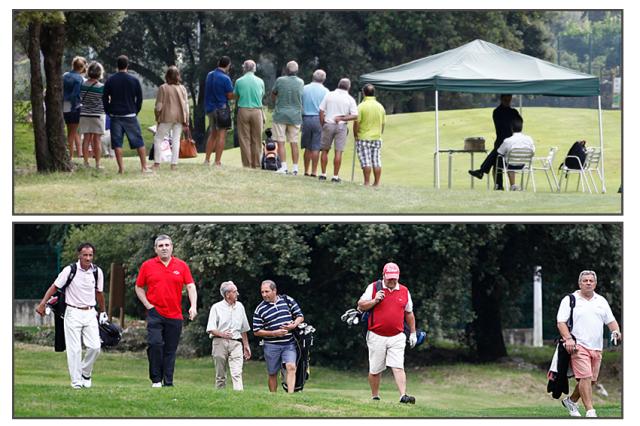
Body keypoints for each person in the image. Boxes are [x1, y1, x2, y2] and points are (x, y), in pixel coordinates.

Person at [35, 243, 107, 389]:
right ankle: (76, 382)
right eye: (85, 255)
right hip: (72, 312)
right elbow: (54, 287)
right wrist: (42, 303)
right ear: (79, 255)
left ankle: (85, 373)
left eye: (90, 255)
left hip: (90, 312)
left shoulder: (97, 272)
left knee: (95, 347)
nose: (88, 258)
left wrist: (103, 312)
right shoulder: (70, 270)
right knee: (74, 349)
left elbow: (99, 293)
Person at [135, 235, 198, 388]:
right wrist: (148, 305)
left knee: (170, 350)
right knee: (155, 344)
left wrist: (193, 306)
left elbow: (190, 286)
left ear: (172, 247)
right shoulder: (147, 265)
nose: (164, 248)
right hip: (155, 313)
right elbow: (138, 287)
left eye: (167, 245)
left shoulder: (181, 266)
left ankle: (168, 382)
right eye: (161, 246)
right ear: (156, 249)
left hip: (175, 314)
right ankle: (156, 380)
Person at [557, 270, 621, 418]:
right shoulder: (570, 299)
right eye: (585, 281)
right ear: (580, 283)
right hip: (578, 346)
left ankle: (571, 401)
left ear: (595, 284)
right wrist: (568, 339)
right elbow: (561, 322)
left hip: (597, 347)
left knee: (591, 380)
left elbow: (611, 322)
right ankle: (591, 411)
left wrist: (616, 331)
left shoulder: (601, 301)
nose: (588, 283)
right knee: (585, 377)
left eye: (591, 281)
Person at [357, 262, 417, 404]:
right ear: (384, 275)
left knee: (398, 366)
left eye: (394, 278)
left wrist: (413, 332)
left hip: (397, 336)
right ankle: (375, 396)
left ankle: (403, 396)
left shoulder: (404, 291)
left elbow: (409, 313)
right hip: (376, 335)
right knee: (375, 370)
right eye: (389, 278)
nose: (392, 281)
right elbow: (360, 305)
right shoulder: (373, 288)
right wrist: (375, 300)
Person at [252, 279, 304, 393]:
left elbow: (300, 316)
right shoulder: (259, 309)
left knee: (291, 367)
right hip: (271, 346)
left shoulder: (287, 300)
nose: (264, 295)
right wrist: (274, 333)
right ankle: (273, 398)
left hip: (289, 343)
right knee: (272, 373)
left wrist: (293, 325)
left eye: (267, 291)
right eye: (262, 292)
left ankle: (290, 396)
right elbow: (256, 331)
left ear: (274, 290)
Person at [102, 55, 151, 174]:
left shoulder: (110, 80)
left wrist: (109, 110)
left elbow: (104, 98)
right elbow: (139, 98)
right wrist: (135, 110)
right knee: (138, 141)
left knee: (117, 142)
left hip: (115, 115)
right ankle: (144, 167)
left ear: (117, 66)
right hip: (130, 114)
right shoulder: (134, 80)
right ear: (127, 65)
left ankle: (121, 169)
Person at [468, 94, 522, 189]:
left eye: (509, 99)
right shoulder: (497, 112)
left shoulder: (513, 111)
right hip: (502, 140)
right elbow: (503, 127)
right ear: (501, 99)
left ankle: (484, 172)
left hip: (508, 142)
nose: (508, 101)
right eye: (506, 99)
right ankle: (498, 185)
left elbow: (519, 123)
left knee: (497, 157)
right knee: (497, 161)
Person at [206, 281, 252, 390]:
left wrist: (246, 345)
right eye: (235, 292)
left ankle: (239, 396)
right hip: (219, 342)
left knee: (237, 372)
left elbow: (244, 328)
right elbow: (210, 329)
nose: (238, 294)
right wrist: (222, 334)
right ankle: (220, 397)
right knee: (220, 375)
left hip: (236, 343)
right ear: (227, 294)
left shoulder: (240, 306)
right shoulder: (216, 307)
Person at [318, 78, 358, 183]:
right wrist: (342, 118)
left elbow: (321, 110)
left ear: (338, 84)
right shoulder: (350, 99)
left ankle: (323, 174)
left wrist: (323, 123)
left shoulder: (329, 95)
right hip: (341, 126)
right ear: (348, 87)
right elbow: (355, 115)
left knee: (325, 150)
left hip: (328, 124)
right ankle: (335, 176)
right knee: (338, 151)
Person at [153, 66, 190, 171]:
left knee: (158, 138)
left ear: (167, 76)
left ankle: (157, 163)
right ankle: (174, 164)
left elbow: (159, 106)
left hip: (166, 117)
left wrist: (157, 116)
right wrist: (187, 119)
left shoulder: (163, 88)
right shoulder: (182, 88)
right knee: (176, 140)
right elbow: (186, 105)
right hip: (180, 117)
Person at [271, 61, 304, 175]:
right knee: (294, 143)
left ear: (286, 70)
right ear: (297, 71)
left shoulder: (280, 80)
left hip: (281, 114)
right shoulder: (301, 82)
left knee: (281, 142)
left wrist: (277, 103)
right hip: (295, 116)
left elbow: (274, 94)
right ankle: (295, 168)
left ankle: (284, 167)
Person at [233, 59, 265, 168]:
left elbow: (236, 96)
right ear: (254, 68)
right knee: (257, 139)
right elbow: (262, 95)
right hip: (257, 110)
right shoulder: (260, 81)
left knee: (244, 138)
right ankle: (256, 164)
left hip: (243, 110)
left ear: (244, 68)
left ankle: (247, 164)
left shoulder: (239, 81)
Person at [353, 84, 386, 186]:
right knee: (376, 161)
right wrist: (380, 133)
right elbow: (383, 123)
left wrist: (356, 135)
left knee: (366, 161)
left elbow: (356, 123)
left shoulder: (361, 106)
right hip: (376, 137)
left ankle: (366, 182)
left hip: (363, 137)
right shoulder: (380, 106)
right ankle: (376, 183)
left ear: (364, 93)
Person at [204, 56, 234, 167]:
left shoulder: (209, 75)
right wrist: (237, 96)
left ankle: (207, 160)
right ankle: (217, 162)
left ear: (218, 63)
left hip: (210, 108)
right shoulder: (226, 78)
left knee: (212, 134)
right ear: (228, 65)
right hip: (221, 109)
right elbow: (229, 95)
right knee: (222, 135)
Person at [301, 69, 329, 177]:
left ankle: (306, 170)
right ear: (324, 79)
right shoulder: (326, 91)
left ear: (313, 77)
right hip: (319, 119)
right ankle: (314, 171)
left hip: (306, 118)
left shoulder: (304, 89)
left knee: (308, 147)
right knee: (316, 147)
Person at [79, 61, 106, 170]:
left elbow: (80, 98)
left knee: (86, 139)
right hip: (97, 115)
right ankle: (98, 164)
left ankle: (86, 162)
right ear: (100, 73)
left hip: (84, 114)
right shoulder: (102, 87)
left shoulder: (82, 85)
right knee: (97, 140)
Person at [496, 116, 535, 191]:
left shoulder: (508, 140)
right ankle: (514, 186)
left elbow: (500, 152)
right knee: (510, 161)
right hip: (523, 164)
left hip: (510, 164)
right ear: (521, 127)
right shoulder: (529, 139)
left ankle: (507, 185)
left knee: (504, 160)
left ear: (511, 128)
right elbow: (533, 151)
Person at [63, 56, 87, 160]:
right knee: (72, 134)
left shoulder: (64, 75)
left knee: (69, 132)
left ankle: (69, 155)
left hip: (64, 106)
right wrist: (75, 106)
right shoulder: (79, 79)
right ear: (82, 67)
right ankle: (69, 157)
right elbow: (75, 94)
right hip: (74, 107)